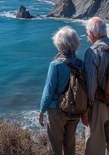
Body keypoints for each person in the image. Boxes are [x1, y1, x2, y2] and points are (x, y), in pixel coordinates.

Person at [38, 26, 83, 155]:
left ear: (60, 45)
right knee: (70, 145)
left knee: (54, 146)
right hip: (76, 109)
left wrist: (42, 110)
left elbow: (49, 91)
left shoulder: (55, 65)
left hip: (57, 110)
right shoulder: (81, 64)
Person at [84, 17, 109, 155]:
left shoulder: (92, 52)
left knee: (95, 144)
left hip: (99, 104)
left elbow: (90, 84)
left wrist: (86, 109)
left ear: (91, 34)